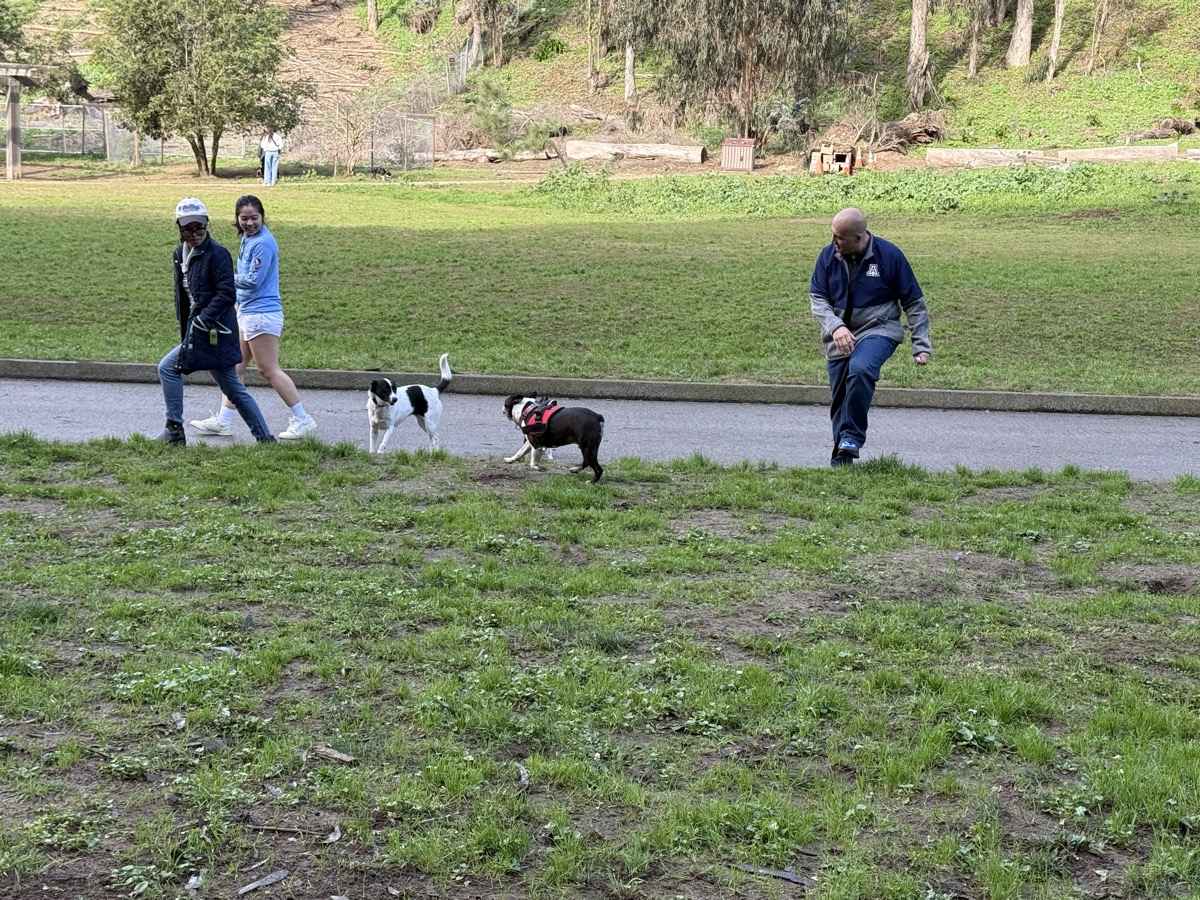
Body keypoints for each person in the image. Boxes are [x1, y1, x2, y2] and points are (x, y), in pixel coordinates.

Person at [809, 207, 931, 467]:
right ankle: (841, 464)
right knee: (840, 398)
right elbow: (818, 299)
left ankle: (852, 437)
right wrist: (836, 327)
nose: (833, 242)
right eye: (833, 235)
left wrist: (920, 345)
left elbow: (914, 303)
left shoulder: (889, 256)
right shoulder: (828, 256)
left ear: (858, 237)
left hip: (879, 328)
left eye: (839, 237)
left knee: (861, 369)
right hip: (839, 334)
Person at [189, 195, 317, 441]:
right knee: (234, 367)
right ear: (237, 220)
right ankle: (223, 420)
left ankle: (303, 419)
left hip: (262, 313)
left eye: (254, 218)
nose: (249, 223)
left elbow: (253, 281)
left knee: (267, 369)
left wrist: (224, 277)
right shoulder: (248, 239)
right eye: (244, 218)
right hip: (247, 311)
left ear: (262, 217)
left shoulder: (263, 243)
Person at [155, 198, 274, 445]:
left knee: (169, 368)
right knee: (232, 387)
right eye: (188, 229)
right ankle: (264, 439)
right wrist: (187, 328)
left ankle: (175, 431)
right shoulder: (180, 253)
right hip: (197, 330)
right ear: (179, 228)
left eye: (200, 227)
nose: (195, 233)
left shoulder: (217, 254)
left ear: (207, 224)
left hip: (214, 332)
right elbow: (185, 297)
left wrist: (201, 322)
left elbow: (226, 294)